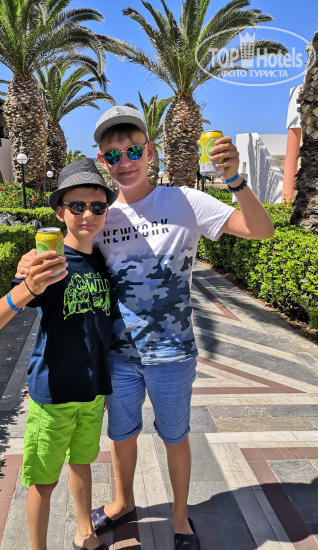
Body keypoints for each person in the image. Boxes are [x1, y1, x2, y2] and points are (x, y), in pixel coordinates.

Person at [16, 107, 274, 550]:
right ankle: (122, 503)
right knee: (121, 436)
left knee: (175, 436)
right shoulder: (101, 213)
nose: (125, 161)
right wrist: (29, 262)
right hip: (116, 357)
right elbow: (71, 251)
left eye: (133, 150)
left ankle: (179, 517)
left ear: (150, 152)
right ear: (103, 161)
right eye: (113, 155)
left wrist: (235, 180)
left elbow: (260, 229)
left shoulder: (185, 201)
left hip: (172, 354)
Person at [0, 158, 118, 550]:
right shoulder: (47, 264)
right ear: (60, 212)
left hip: (92, 393)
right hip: (52, 395)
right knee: (43, 481)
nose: (87, 214)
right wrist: (27, 288)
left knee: (82, 463)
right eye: (77, 206)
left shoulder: (103, 261)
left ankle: (85, 531)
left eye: (97, 206)